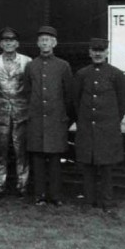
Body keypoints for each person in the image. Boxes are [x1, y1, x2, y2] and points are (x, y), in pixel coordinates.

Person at [73, 38, 125, 213]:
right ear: (89, 52)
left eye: (101, 50)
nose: (98, 54)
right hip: (87, 128)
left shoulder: (116, 74)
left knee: (106, 166)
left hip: (107, 128)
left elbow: (123, 101)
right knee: (88, 165)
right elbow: (75, 100)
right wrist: (83, 120)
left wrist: (111, 120)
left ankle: (107, 202)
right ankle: (89, 202)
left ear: (107, 52)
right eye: (94, 50)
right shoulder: (82, 74)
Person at [24, 26, 73, 206]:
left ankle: (55, 196)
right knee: (37, 159)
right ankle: (39, 195)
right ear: (38, 43)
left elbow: (69, 95)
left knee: (54, 160)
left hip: (55, 120)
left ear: (55, 43)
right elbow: (28, 92)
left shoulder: (63, 66)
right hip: (36, 120)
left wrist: (62, 116)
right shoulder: (31, 66)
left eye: (48, 40)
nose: (45, 43)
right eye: (42, 40)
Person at [0, 27, 32, 197]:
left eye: (12, 41)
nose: (8, 43)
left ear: (17, 43)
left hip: (21, 113)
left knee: (21, 151)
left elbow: (29, 86)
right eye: (5, 41)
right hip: (0, 113)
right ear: (1, 43)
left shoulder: (27, 61)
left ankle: (22, 186)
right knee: (0, 151)